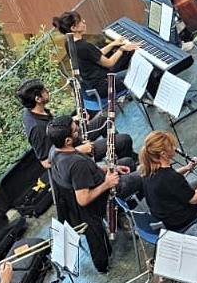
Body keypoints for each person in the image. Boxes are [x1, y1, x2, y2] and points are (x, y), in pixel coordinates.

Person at [48, 117, 142, 274]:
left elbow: (89, 170)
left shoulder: (54, 151)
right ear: (68, 140)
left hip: (98, 182)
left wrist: (112, 168)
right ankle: (121, 211)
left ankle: (118, 215)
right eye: (75, 130)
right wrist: (107, 183)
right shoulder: (76, 164)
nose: (78, 130)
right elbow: (83, 199)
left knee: (128, 162)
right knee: (145, 176)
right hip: (104, 196)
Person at [138, 129, 197, 238]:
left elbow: (169, 180)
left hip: (164, 213)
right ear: (163, 154)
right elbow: (194, 199)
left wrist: (187, 168)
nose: (174, 148)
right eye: (171, 146)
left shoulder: (149, 169)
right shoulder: (170, 177)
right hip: (178, 220)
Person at [51, 10, 135, 100]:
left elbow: (95, 54)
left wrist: (113, 44)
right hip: (106, 86)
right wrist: (122, 49)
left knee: (124, 57)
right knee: (136, 74)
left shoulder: (69, 43)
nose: (84, 21)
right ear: (73, 28)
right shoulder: (84, 46)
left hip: (93, 85)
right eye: (80, 21)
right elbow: (109, 63)